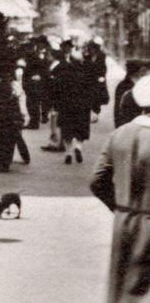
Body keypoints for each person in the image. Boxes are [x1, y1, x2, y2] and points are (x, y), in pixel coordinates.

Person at [92, 74, 150, 302]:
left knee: (122, 290)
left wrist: (119, 207)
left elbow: (97, 180)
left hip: (124, 222)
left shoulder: (120, 134)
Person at [52, 42, 95, 164]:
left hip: (66, 106)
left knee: (67, 130)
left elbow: (56, 88)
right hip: (82, 106)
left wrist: (56, 104)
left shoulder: (64, 72)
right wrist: (92, 107)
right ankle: (78, 147)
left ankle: (68, 152)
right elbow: (91, 90)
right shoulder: (86, 74)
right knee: (81, 130)